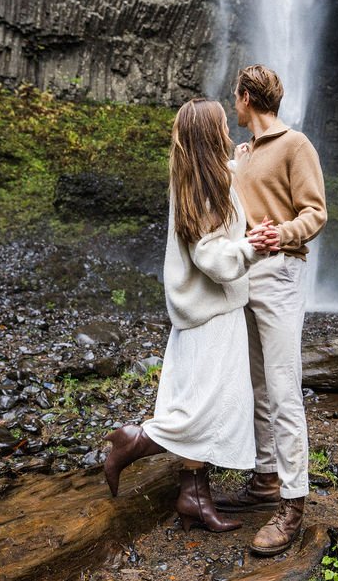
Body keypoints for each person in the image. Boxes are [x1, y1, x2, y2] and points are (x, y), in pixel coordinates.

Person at [103, 98, 274, 533]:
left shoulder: (200, 176)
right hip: (210, 315)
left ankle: (193, 497)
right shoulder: (202, 188)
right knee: (205, 411)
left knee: (207, 407)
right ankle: (134, 441)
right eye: (220, 123)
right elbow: (213, 258)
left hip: (208, 312)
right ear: (208, 133)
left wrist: (237, 164)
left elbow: (217, 214)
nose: (227, 128)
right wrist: (255, 246)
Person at [214, 65, 327, 556]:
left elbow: (316, 212)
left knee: (283, 388)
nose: (231, 106)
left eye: (234, 98)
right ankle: (265, 478)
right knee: (257, 381)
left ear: (245, 98)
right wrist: (237, 166)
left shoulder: (295, 145)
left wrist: (280, 233)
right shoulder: (249, 152)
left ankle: (293, 503)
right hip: (244, 274)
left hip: (280, 274)